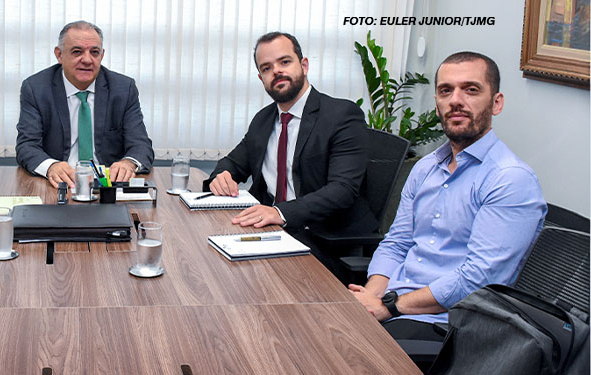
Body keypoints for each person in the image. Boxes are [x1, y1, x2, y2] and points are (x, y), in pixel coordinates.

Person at [348, 52, 546, 344]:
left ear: (497, 102)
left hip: (448, 325)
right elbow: (397, 242)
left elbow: (477, 280)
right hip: (395, 306)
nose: (456, 99)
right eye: (445, 90)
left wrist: (389, 306)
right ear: (437, 104)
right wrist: (372, 294)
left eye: (471, 89)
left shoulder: (510, 179)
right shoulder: (426, 168)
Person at [205, 32, 377, 275]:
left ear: (304, 65)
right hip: (271, 233)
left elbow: (342, 190)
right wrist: (222, 175)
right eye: (267, 68)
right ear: (260, 77)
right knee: (210, 259)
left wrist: (280, 212)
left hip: (322, 238)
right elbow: (234, 162)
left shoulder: (341, 115)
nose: (276, 71)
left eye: (284, 62)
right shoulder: (264, 120)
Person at [16, 20, 154, 188]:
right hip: (59, 184)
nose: (87, 60)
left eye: (94, 52)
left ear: (102, 56)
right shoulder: (36, 88)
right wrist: (51, 166)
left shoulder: (123, 89)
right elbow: (27, 146)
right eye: (77, 51)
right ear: (59, 55)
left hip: (107, 187)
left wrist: (128, 163)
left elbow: (141, 145)